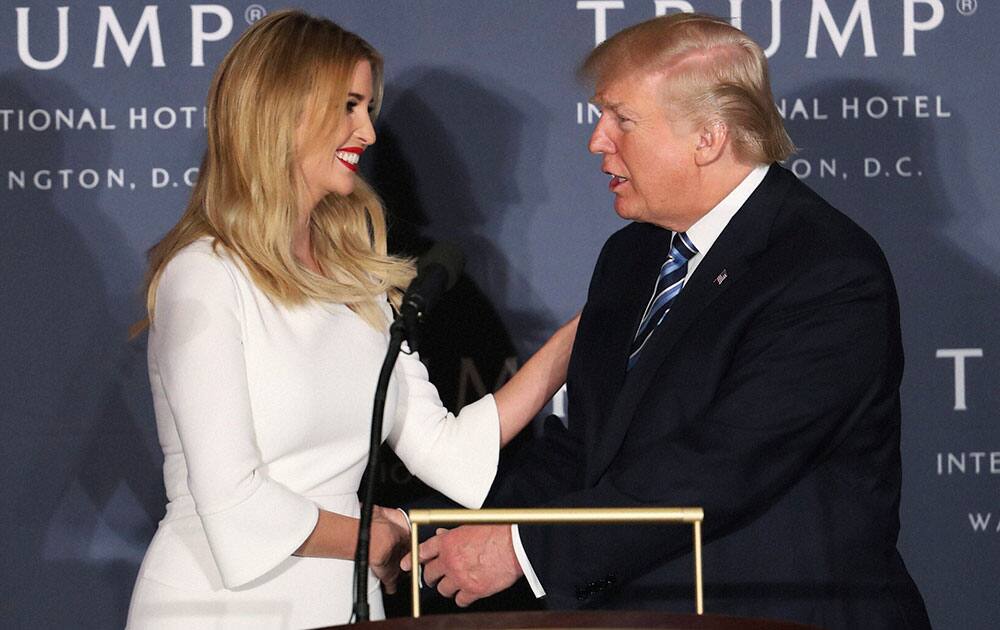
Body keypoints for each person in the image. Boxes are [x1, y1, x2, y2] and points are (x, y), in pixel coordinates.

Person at [404, 13, 932, 630]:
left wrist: (523, 548)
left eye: (621, 119)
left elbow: (722, 464)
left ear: (708, 138)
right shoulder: (632, 256)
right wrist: (441, 532)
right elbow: (588, 450)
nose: (597, 140)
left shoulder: (825, 270)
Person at [125, 10, 577, 629]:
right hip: (217, 605)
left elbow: (447, 450)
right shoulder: (205, 275)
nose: (366, 129)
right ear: (282, 111)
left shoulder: (358, 283)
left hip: (341, 599)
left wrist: (580, 336)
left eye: (367, 107)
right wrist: (377, 538)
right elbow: (231, 503)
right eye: (348, 105)